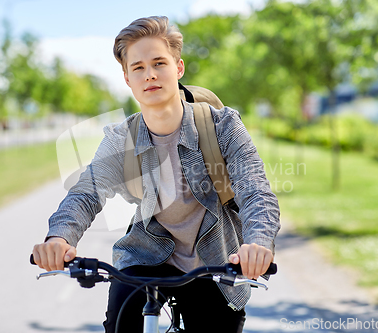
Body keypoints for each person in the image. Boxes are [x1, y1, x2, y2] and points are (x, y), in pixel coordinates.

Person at [32, 16, 280, 333]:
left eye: (159, 63)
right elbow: (87, 192)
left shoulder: (223, 126)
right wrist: (59, 237)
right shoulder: (121, 138)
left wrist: (258, 243)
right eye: (138, 67)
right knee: (122, 323)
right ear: (127, 79)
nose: (149, 74)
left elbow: (256, 191)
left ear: (178, 68)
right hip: (146, 256)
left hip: (215, 263)